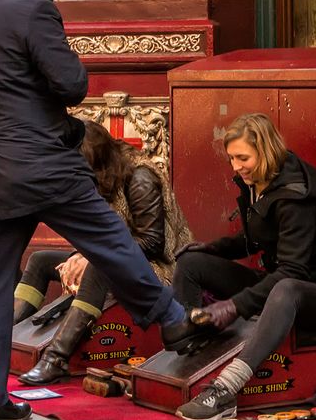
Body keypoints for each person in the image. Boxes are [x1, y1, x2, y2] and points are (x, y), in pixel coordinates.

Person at [0, 0, 195, 420]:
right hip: (42, 164)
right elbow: (72, 83)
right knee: (110, 240)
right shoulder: (34, 10)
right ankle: (174, 322)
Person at [171, 113, 316, 420]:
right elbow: (257, 238)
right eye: (231, 158)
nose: (235, 166)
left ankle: (226, 389)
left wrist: (234, 306)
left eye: (243, 158)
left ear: (266, 151)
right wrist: (213, 249)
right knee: (191, 262)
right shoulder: (257, 180)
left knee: (284, 288)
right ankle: (189, 344)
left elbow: (293, 271)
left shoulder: (294, 195)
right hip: (280, 281)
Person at [15, 119, 194, 385]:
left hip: (161, 268)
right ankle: (6, 337)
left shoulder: (140, 178)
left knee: (100, 268)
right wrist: (81, 254)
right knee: (40, 260)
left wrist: (90, 258)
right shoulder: (104, 177)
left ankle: (55, 358)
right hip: (116, 258)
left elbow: (152, 243)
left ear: (99, 163)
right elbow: (99, 235)